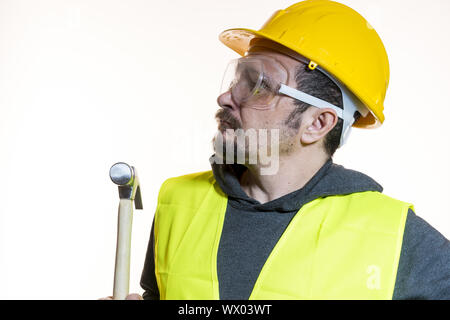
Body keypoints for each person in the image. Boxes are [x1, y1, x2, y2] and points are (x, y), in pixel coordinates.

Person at [115, 0, 450, 300]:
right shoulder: (179, 201)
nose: (225, 98)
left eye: (259, 86)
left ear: (318, 123)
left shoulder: (395, 236)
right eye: (238, 79)